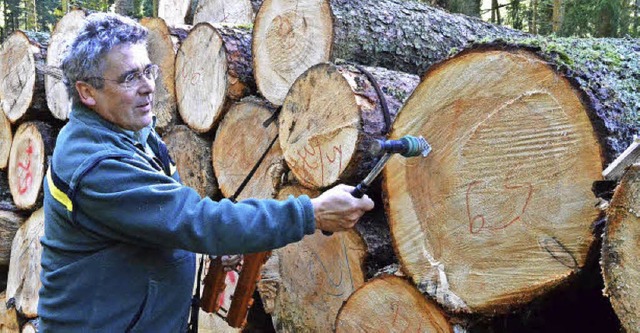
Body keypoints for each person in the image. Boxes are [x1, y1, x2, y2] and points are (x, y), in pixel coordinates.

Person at [38, 12, 374, 332]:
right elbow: (193, 219)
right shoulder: (96, 164)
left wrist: (211, 244)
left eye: (147, 71)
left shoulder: (132, 133)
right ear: (87, 92)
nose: (148, 87)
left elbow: (163, 218)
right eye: (129, 77)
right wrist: (310, 213)